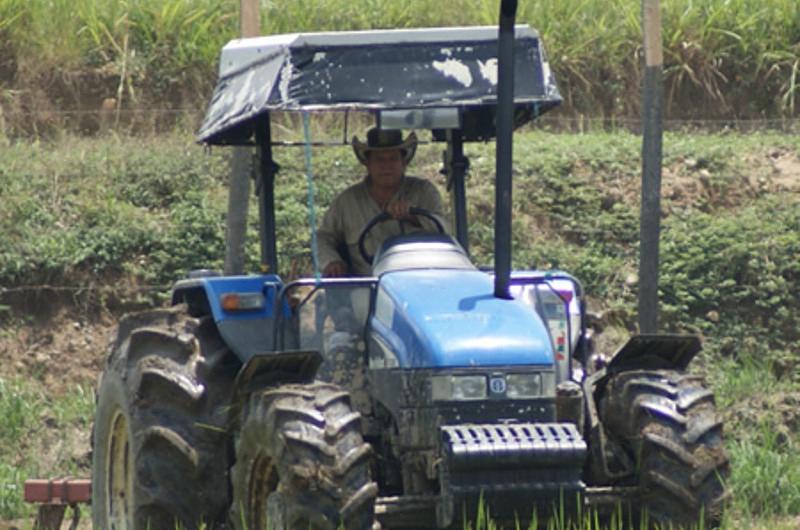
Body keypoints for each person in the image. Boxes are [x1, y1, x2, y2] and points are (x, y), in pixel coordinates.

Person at [318, 128, 448, 276]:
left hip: (420, 280)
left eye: (393, 159)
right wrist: (332, 261)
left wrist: (413, 217)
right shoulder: (347, 201)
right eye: (379, 160)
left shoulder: (424, 192)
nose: (387, 166)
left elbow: (445, 230)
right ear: (367, 164)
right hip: (367, 287)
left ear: (403, 162)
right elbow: (323, 237)